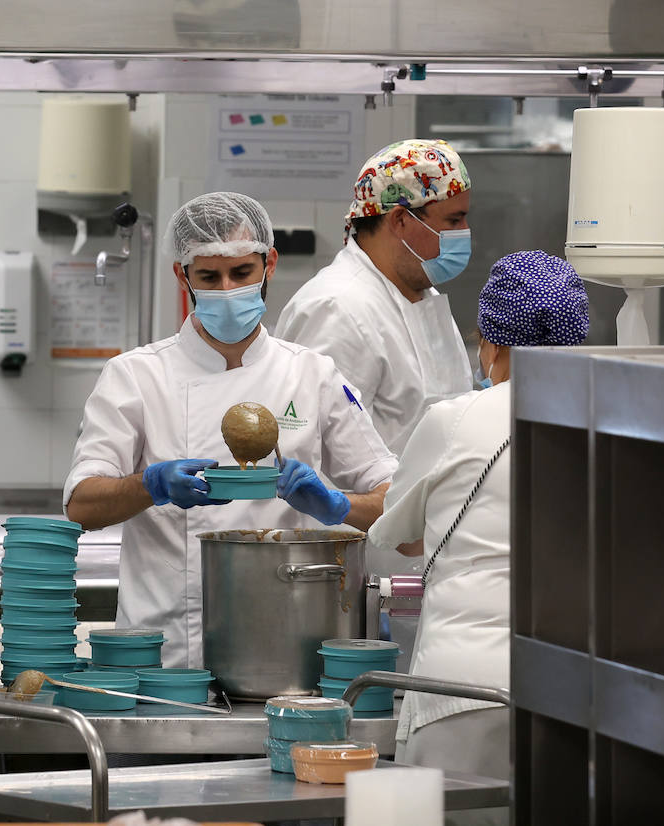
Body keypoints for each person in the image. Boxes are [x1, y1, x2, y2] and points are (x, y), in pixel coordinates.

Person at [64, 192, 398, 668]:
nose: (226, 289)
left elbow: (398, 502)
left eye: (241, 273)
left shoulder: (313, 375)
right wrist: (150, 485)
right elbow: (81, 505)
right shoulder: (135, 376)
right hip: (166, 655)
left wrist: (338, 505)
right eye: (208, 276)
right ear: (183, 276)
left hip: (286, 650)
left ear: (270, 264)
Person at [366, 251, 589, 825]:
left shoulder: (455, 420)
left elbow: (397, 540)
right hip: (574, 689)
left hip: (459, 691)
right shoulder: (610, 418)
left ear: (491, 343)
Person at [277, 138, 475, 455]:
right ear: (400, 220)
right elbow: (320, 453)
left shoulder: (421, 290)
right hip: (377, 504)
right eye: (454, 220)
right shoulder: (337, 308)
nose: (465, 231)